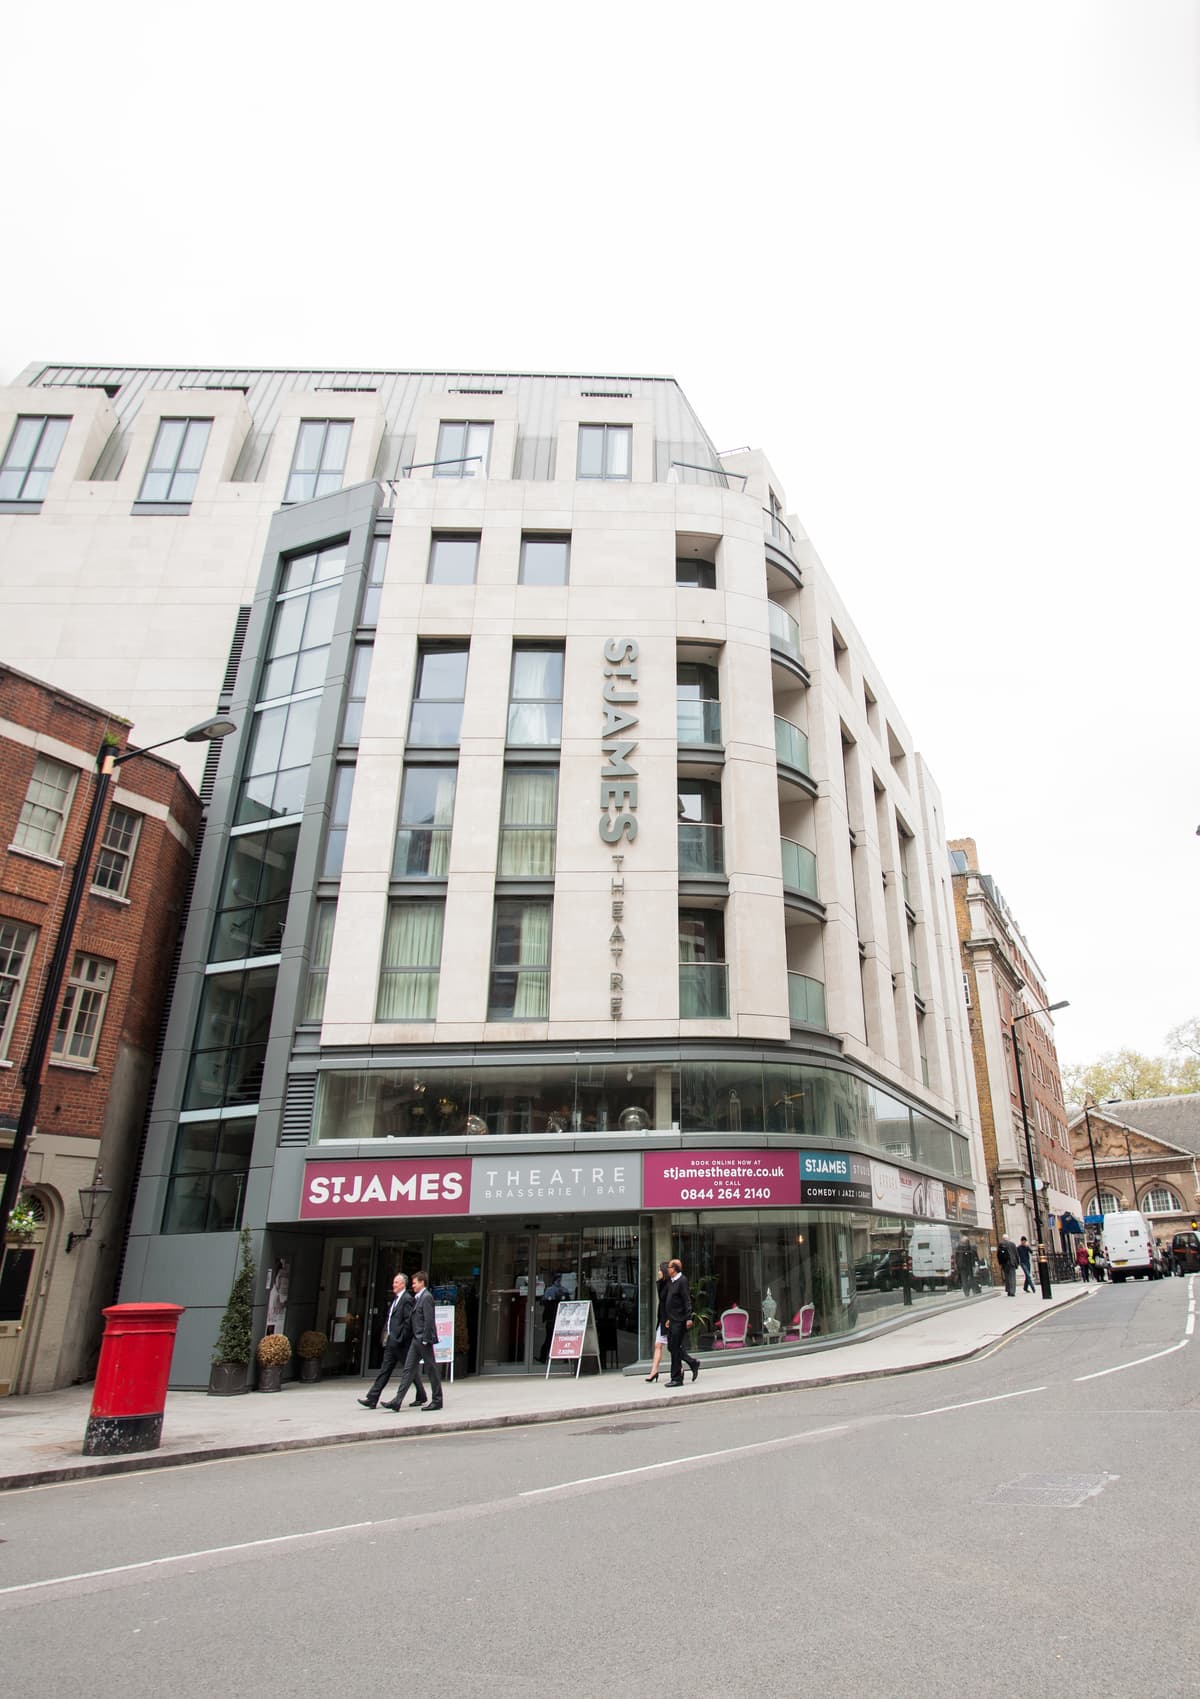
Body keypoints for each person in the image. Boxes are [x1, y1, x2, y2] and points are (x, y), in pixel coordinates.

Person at [385, 1269, 442, 1412]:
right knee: (408, 1370)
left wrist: (426, 1339)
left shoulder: (427, 1297)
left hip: (423, 1340)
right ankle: (397, 1401)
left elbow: (429, 1320)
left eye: (415, 1283)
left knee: (431, 1370)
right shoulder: (418, 1298)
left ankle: (437, 1400)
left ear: (422, 1283)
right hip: (416, 1341)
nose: (413, 1286)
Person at [358, 1272, 418, 1409]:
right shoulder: (396, 1299)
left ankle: (420, 1394)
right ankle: (372, 1397)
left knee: (409, 1370)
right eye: (394, 1282)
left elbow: (409, 1321)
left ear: (403, 1284)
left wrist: (401, 1337)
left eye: (396, 1282)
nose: (393, 1285)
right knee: (385, 1370)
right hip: (392, 1342)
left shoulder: (407, 1299)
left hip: (400, 1343)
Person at [661, 1258, 700, 1387]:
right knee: (672, 1347)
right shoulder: (671, 1281)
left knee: (675, 1348)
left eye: (670, 1268)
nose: (668, 1270)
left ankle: (677, 1378)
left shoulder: (682, 1281)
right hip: (672, 1320)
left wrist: (688, 1318)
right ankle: (692, 1363)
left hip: (680, 1320)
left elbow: (686, 1300)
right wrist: (668, 1318)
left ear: (675, 1269)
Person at [645, 1261, 670, 1382]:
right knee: (658, 1345)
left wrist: (670, 1318)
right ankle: (654, 1371)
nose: (658, 1272)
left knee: (675, 1347)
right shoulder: (662, 1284)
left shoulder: (670, 1285)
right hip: (662, 1318)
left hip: (669, 1319)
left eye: (660, 1270)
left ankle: (682, 1367)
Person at [536, 1272, 565, 1363]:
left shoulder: (559, 1290)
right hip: (554, 1317)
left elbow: (543, 1302)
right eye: (558, 1280)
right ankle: (544, 1357)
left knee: (552, 1338)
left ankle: (544, 1357)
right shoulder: (553, 1290)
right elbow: (544, 1301)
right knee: (552, 1337)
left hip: (556, 1317)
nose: (559, 1281)